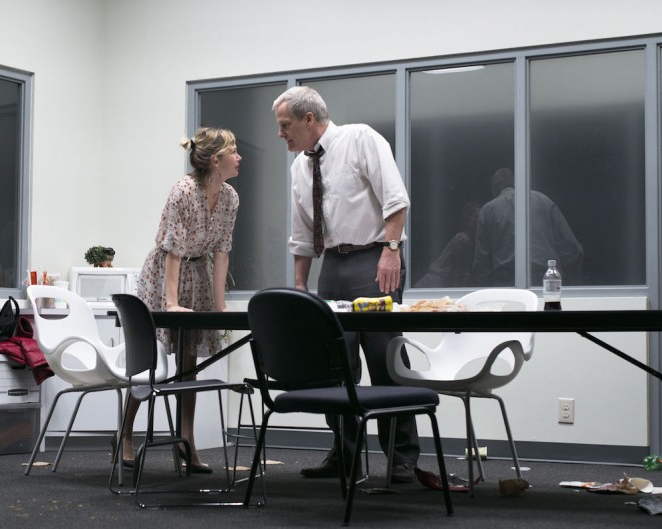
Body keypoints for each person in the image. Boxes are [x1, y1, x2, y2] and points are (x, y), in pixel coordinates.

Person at [273, 86, 418, 483]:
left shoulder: (361, 139)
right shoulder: (299, 167)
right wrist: (301, 284)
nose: (280, 134)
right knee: (335, 365)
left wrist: (391, 251)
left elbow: (396, 200)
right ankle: (345, 454)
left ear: (308, 120)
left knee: (385, 360)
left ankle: (401, 458)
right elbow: (301, 232)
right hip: (333, 265)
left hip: (374, 259)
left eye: (285, 126)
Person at [121, 126, 242, 473]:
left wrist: (219, 306)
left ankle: (186, 440)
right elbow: (172, 248)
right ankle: (126, 433)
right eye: (234, 151)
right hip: (164, 274)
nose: (239, 157)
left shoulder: (231, 198)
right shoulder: (183, 190)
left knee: (190, 362)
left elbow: (222, 252)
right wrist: (170, 302)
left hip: (198, 274)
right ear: (216, 160)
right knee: (149, 359)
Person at [472, 167, 584, 286]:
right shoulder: (543, 201)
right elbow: (572, 249)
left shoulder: (488, 210)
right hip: (545, 278)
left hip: (505, 280)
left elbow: (481, 265)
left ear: (494, 188)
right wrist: (574, 287)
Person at [414, 202, 480, 288]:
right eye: (476, 216)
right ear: (468, 219)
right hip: (435, 284)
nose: (479, 219)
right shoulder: (463, 240)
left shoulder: (472, 240)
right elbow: (460, 274)